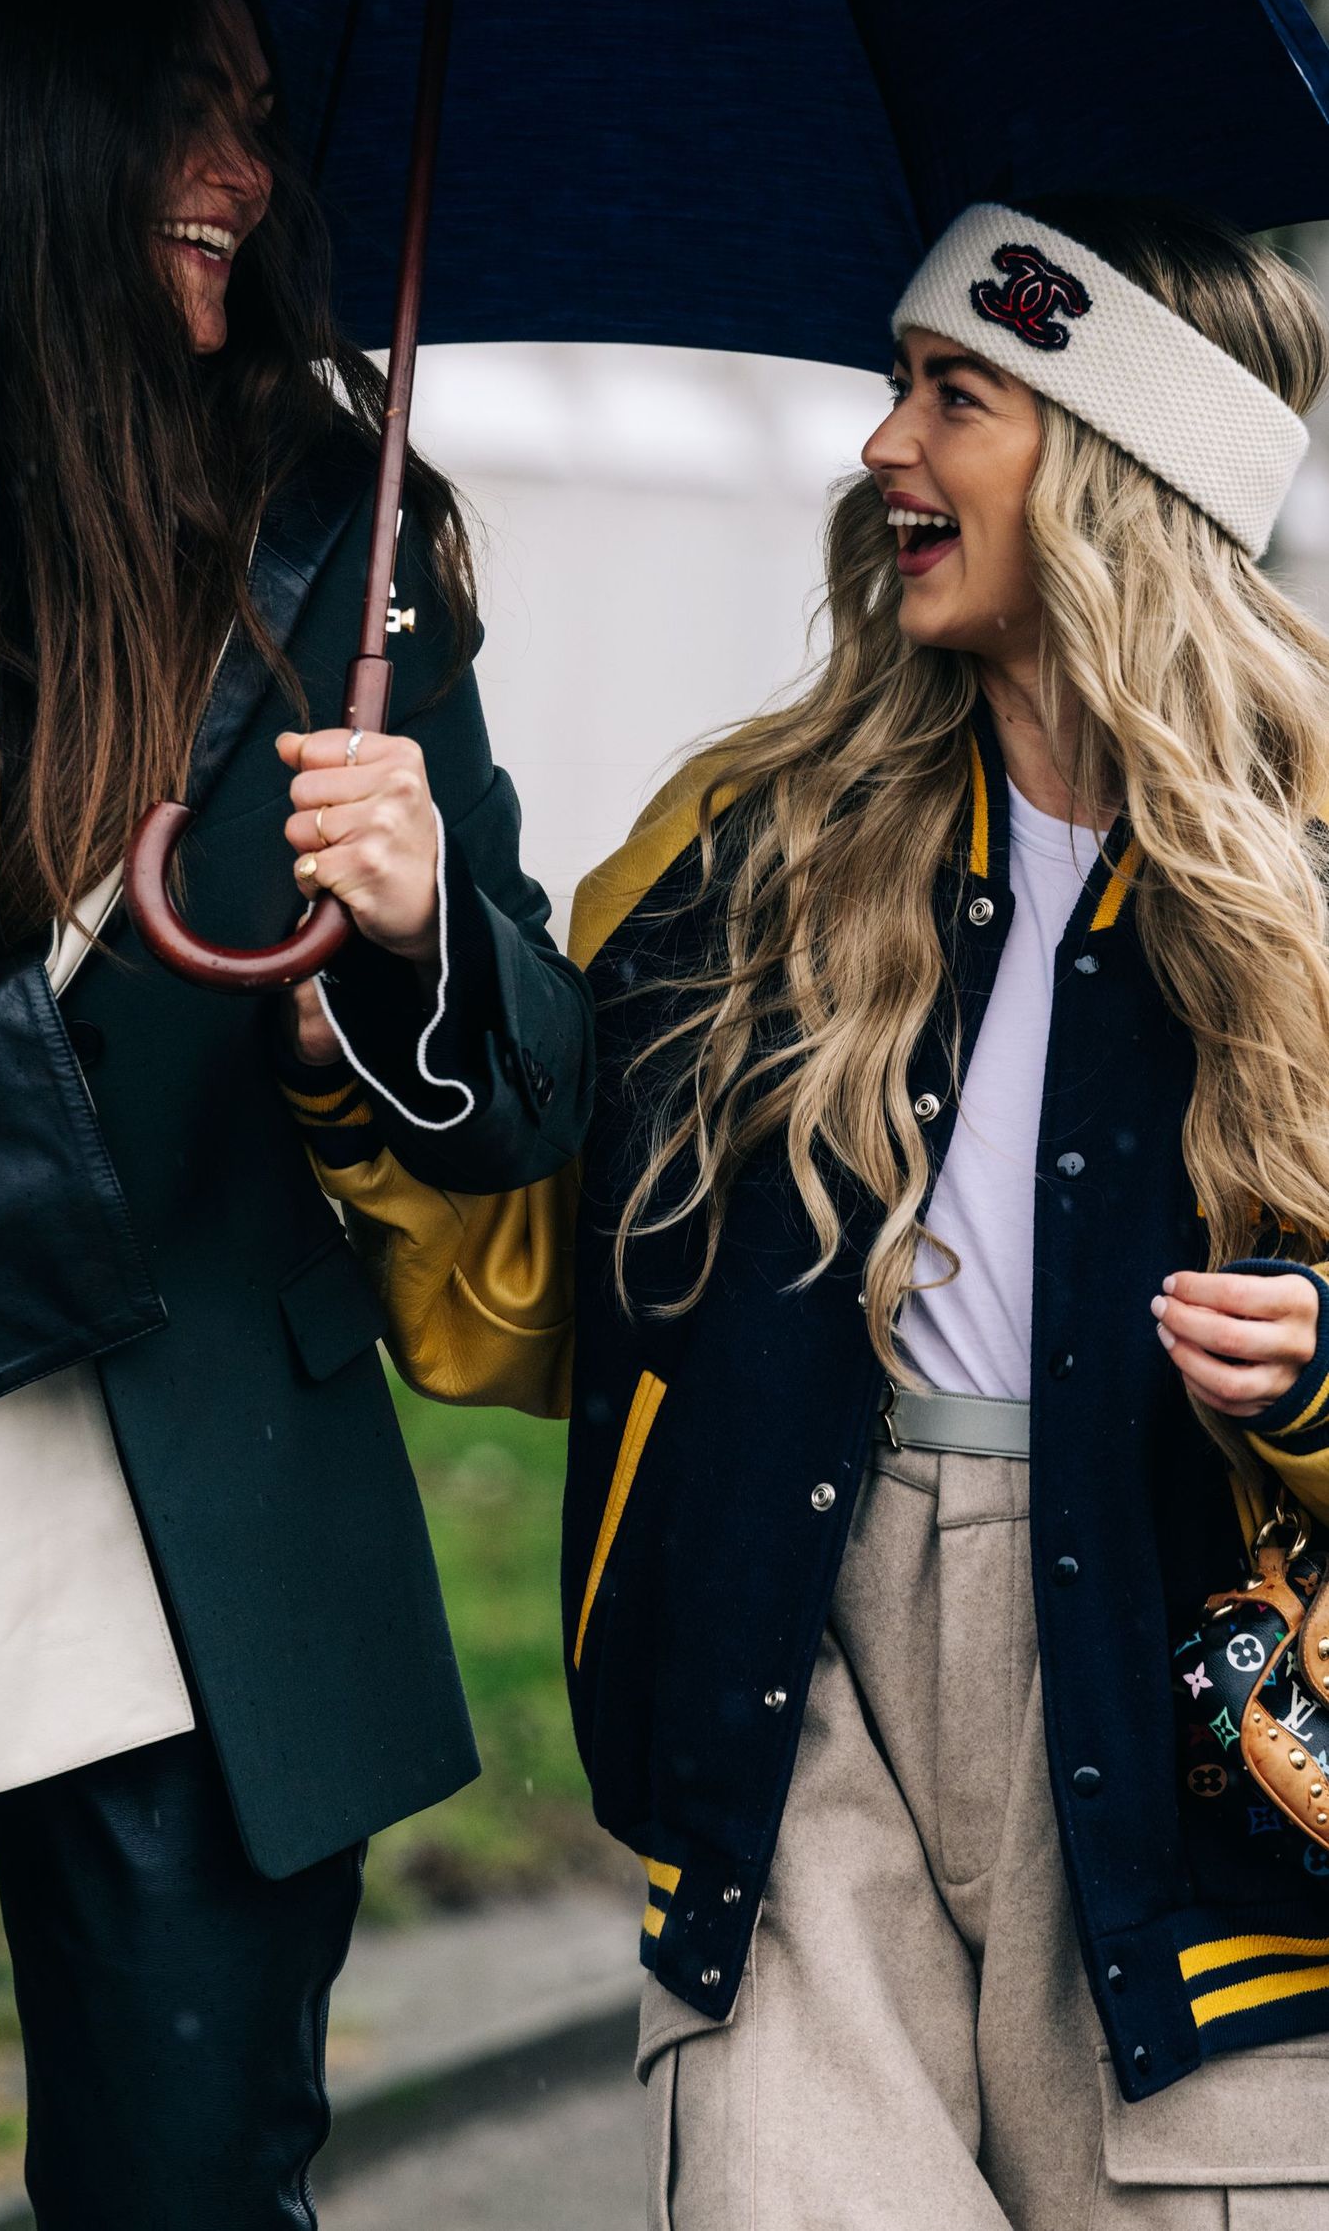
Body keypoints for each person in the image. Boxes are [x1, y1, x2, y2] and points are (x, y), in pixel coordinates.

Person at [309, 196, 1329, 2226]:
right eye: (895, 384)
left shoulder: (1312, 882)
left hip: (1187, 1742)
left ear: (1120, 471)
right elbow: (526, 1295)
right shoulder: (742, 855)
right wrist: (388, 991)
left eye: (958, 395)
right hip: (806, 1699)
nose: (885, 445)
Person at [0, 0, 590, 2224]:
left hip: (192, 1564)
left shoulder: (330, 544)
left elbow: (515, 1100)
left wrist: (419, 932)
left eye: (263, 124)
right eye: (184, 111)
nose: (247, 181)